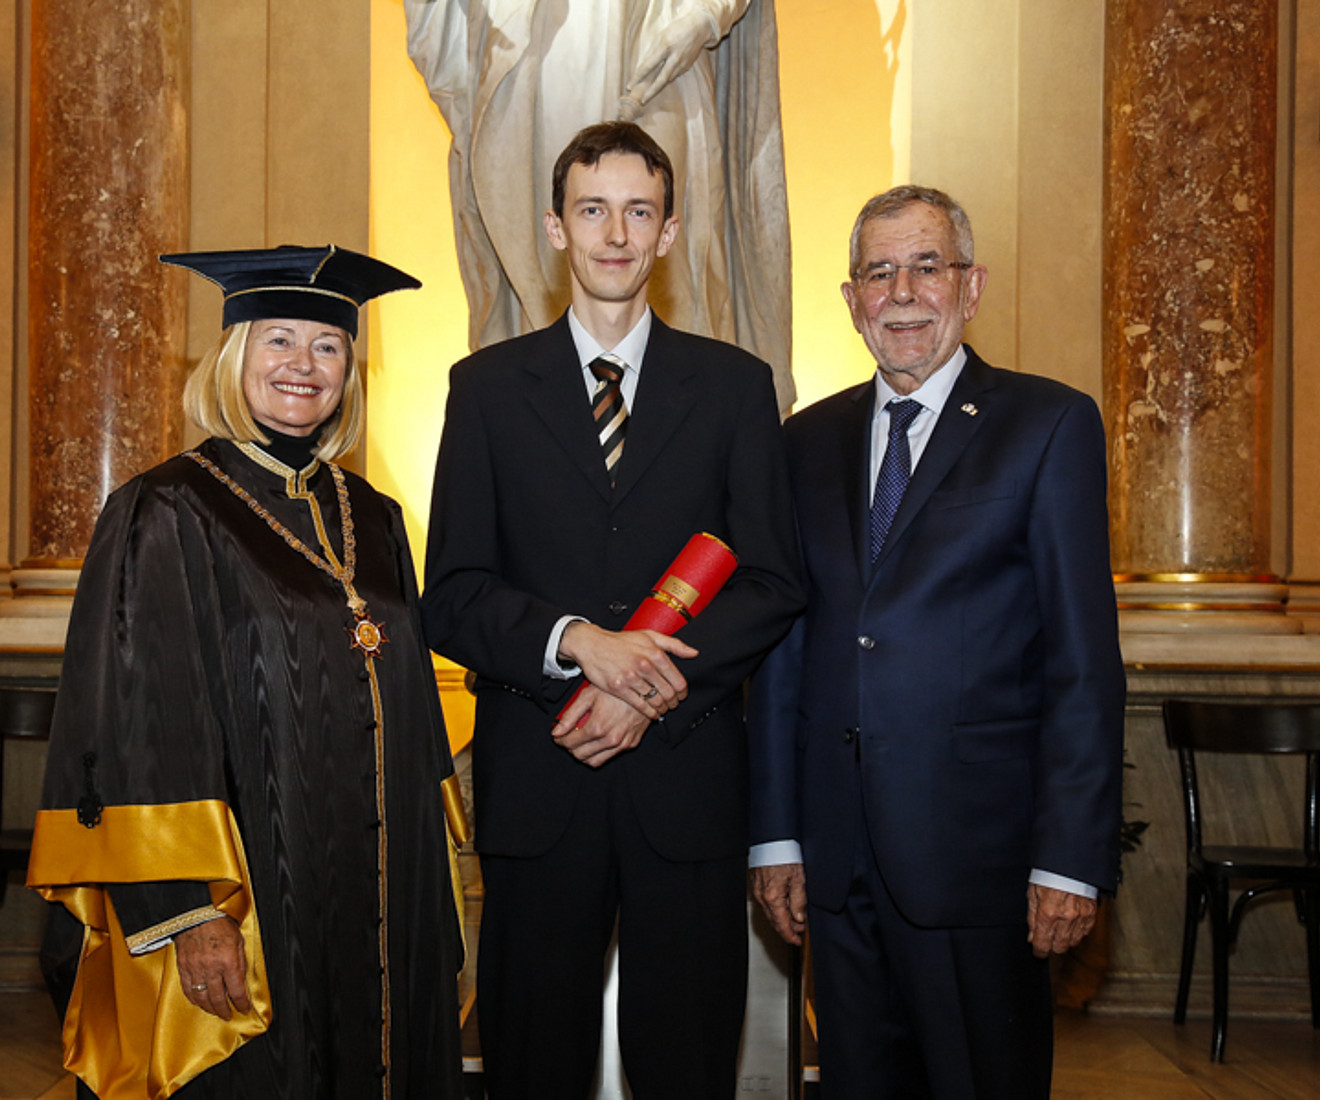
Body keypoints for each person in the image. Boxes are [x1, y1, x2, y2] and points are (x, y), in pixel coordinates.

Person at [27, 245, 464, 1100]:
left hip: (381, 884)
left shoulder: (375, 516)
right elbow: (138, 717)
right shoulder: (167, 507)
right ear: (234, 356)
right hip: (255, 892)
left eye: (328, 346)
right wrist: (191, 913)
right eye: (279, 340)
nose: (305, 366)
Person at [422, 121, 802, 1098]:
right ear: (557, 226)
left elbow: (772, 580)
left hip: (686, 781)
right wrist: (579, 642)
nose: (616, 233)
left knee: (685, 1060)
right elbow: (454, 594)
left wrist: (644, 686)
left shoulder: (734, 387)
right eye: (594, 210)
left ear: (670, 231)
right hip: (541, 779)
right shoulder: (485, 390)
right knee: (530, 1060)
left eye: (640, 211)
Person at [748, 186, 1126, 1099]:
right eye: (879, 272)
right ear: (851, 300)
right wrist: (775, 840)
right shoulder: (804, 442)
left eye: (928, 265)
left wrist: (1069, 859)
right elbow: (783, 651)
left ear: (972, 285)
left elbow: (1083, 662)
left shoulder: (1047, 425)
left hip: (982, 866)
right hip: (836, 868)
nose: (904, 292)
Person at [403, 0, 796, 411]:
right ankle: (537, 430)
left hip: (658, 27)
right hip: (539, 41)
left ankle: (688, 438)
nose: (616, 232)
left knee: (674, 261)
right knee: (539, 256)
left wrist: (707, 13)